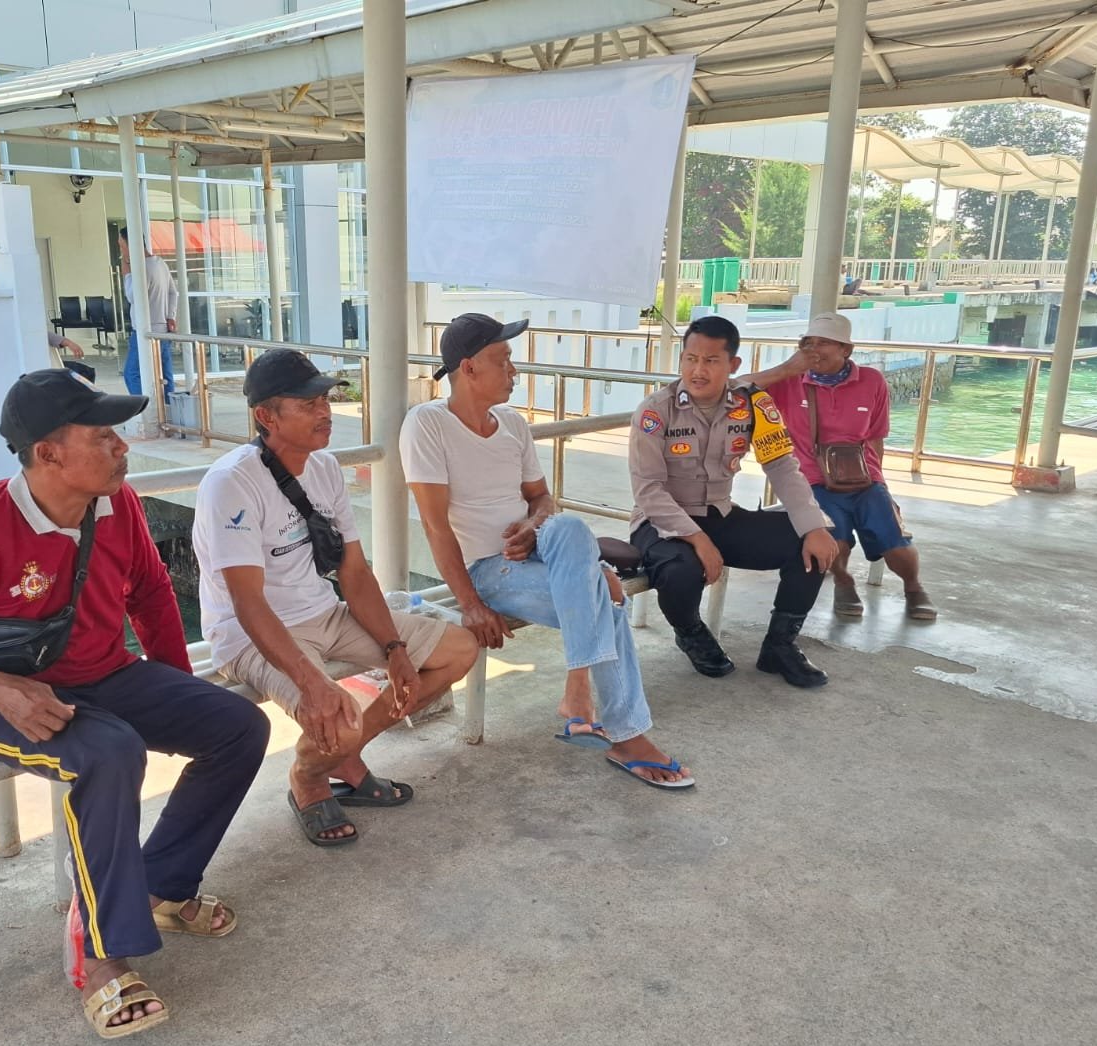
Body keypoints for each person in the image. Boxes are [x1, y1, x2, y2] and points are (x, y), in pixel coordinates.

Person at [0, 368, 268, 1040]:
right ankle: (101, 958)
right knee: (109, 753)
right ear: (48, 453)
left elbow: (150, 591)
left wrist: (178, 689)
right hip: (3, 703)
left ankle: (160, 888)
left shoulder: (117, 502)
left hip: (107, 674)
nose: (122, 446)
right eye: (103, 435)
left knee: (237, 726)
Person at [194, 349, 478, 847]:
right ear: (266, 416)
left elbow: (355, 571)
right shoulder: (231, 483)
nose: (325, 412)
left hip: (324, 613)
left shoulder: (324, 468)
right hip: (251, 632)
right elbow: (247, 602)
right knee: (335, 711)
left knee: (459, 650)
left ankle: (342, 755)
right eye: (308, 404)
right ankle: (308, 777)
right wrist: (314, 684)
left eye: (325, 399)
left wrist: (394, 649)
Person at [402, 312, 693, 790]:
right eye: (503, 360)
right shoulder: (427, 424)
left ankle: (578, 688)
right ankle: (627, 736)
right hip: (489, 568)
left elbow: (542, 499)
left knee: (570, 525)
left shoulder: (512, 423)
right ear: (469, 368)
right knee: (605, 594)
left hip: (545, 552)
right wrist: (470, 604)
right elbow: (436, 527)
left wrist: (534, 525)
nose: (514, 370)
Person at [627, 314, 838, 685]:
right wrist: (697, 538)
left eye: (711, 360)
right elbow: (648, 490)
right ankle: (691, 632)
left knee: (812, 541)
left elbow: (782, 467)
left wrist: (814, 525)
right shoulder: (655, 411)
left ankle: (780, 645)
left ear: (733, 364)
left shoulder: (752, 404)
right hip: (660, 523)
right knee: (681, 569)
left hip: (721, 514)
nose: (698, 370)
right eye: (691, 359)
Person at [751, 313, 937, 622]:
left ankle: (913, 587)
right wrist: (786, 369)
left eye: (823, 343)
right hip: (812, 479)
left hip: (864, 478)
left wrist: (880, 483)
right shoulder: (788, 382)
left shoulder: (872, 381)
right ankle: (843, 580)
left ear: (846, 350)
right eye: (807, 343)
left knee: (896, 544)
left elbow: (875, 437)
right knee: (831, 538)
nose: (814, 350)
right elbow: (732, 389)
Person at [118, 227, 177, 401]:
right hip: (162, 328)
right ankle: (169, 409)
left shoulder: (141, 268)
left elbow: (132, 296)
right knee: (164, 374)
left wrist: (126, 269)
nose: (121, 250)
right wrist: (170, 315)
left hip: (145, 329)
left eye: (121, 246)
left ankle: (145, 409)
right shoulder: (160, 263)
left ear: (130, 245)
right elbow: (173, 292)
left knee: (132, 373)